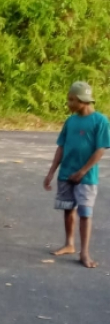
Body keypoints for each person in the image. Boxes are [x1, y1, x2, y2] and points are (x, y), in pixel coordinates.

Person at [43, 81, 109, 268]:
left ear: (83, 100)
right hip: (66, 173)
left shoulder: (100, 121)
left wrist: (82, 171)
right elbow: (61, 147)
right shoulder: (70, 121)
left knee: (85, 212)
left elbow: (100, 149)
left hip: (86, 177)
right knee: (67, 209)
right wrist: (51, 173)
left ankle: (85, 252)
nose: (69, 103)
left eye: (72, 100)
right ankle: (69, 243)